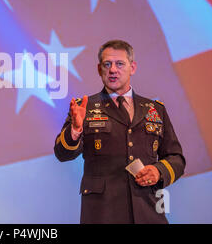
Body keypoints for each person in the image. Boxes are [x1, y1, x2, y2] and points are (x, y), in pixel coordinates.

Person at [54, 40, 185, 224]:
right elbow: (62, 153)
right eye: (107, 64)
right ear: (99, 69)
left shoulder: (155, 109)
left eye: (119, 64)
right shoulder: (84, 107)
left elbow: (176, 158)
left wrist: (158, 170)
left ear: (133, 67)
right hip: (102, 214)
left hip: (148, 212)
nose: (113, 70)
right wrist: (75, 130)